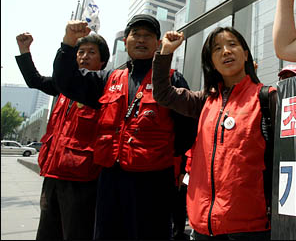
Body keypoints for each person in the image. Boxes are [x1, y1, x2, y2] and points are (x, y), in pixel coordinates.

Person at [51, 14, 195, 240]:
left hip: (154, 182)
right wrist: (68, 43)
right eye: (135, 35)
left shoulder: (172, 80)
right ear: (126, 41)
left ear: (158, 43)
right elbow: (67, 81)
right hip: (110, 178)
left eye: (148, 36)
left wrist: (157, 153)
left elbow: (187, 130)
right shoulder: (107, 78)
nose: (141, 40)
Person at [152, 27, 277, 240]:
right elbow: (164, 94)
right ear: (211, 61)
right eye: (217, 48)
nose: (226, 51)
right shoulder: (204, 101)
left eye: (232, 45)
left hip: (250, 227)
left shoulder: (267, 98)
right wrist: (165, 52)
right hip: (202, 226)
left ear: (246, 53)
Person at [15, 32, 110, 240]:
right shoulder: (63, 86)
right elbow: (35, 80)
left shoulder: (103, 88)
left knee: (76, 233)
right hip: (52, 175)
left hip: (82, 180)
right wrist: (25, 51)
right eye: (80, 52)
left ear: (102, 61)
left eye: (91, 52)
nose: (84, 56)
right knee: (47, 233)